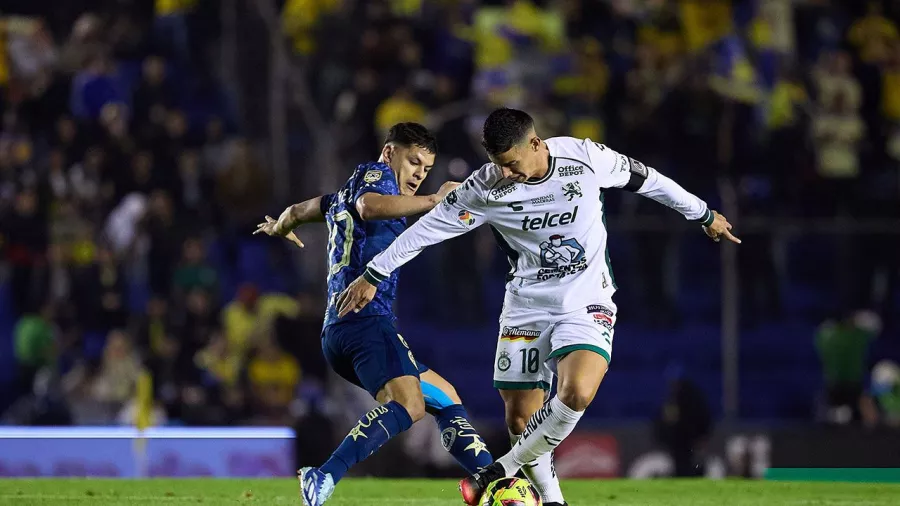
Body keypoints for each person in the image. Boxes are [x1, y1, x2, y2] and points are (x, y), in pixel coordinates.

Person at [337, 108, 739, 505]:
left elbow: (647, 180)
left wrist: (701, 213)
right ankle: (552, 501)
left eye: (512, 163)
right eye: (499, 165)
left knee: (577, 391)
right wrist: (374, 273)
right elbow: (428, 230)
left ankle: (500, 470)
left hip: (586, 301)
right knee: (520, 419)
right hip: (525, 308)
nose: (507, 173)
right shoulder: (485, 186)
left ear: (534, 143)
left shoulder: (584, 157)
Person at [254, 123, 493, 506]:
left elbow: (299, 210)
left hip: (342, 330)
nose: (418, 173)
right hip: (365, 321)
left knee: (446, 398)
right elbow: (369, 206)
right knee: (410, 405)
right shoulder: (374, 177)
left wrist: (281, 226)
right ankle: (324, 475)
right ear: (388, 153)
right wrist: (434, 200)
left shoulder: (338, 199)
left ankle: (490, 479)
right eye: (413, 161)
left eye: (426, 168)